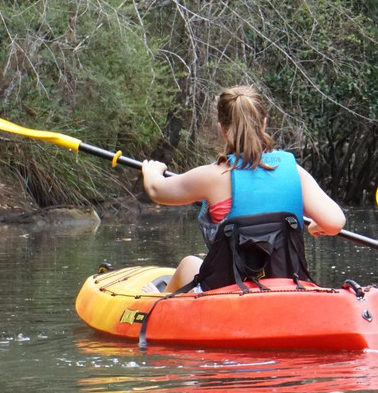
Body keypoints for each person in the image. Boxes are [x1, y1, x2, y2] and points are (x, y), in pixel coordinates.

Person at [140, 85, 346, 292]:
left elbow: (157, 191)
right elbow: (335, 223)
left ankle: (157, 305)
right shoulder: (295, 173)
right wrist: (315, 226)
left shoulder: (213, 176)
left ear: (222, 127)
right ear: (264, 123)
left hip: (229, 292)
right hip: (284, 289)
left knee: (189, 264)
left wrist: (151, 170)